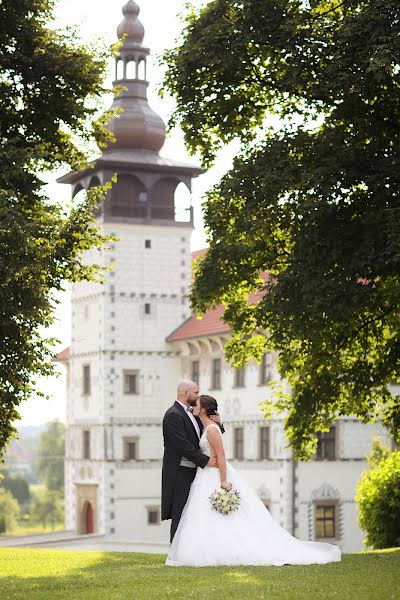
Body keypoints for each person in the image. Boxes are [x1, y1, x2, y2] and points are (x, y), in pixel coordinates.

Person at [166, 394, 341, 567]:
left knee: (217, 515)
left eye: (196, 404)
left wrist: (224, 481)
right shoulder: (207, 426)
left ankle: (223, 550)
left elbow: (221, 456)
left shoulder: (211, 429)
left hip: (214, 475)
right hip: (204, 475)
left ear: (203, 409)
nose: (193, 406)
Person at [162, 380, 221, 542]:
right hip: (180, 472)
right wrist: (206, 461)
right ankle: (175, 552)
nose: (198, 395)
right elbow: (182, 446)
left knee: (196, 513)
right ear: (186, 393)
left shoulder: (195, 413)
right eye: (196, 392)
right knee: (180, 513)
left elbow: (208, 434)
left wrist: (218, 424)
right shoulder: (173, 414)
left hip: (197, 471)